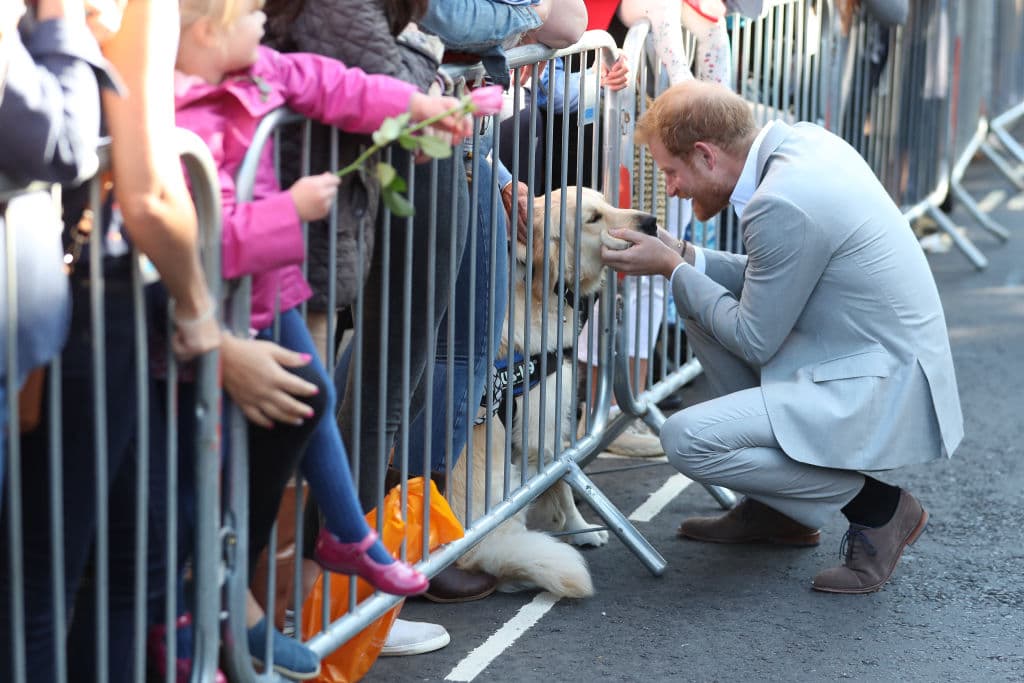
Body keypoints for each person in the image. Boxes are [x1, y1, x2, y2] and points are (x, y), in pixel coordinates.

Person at [601, 80, 963, 594]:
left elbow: (754, 339)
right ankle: (780, 510)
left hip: (877, 383)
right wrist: (683, 256)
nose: (672, 189)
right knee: (695, 296)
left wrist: (671, 269)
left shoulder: (781, 201)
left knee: (684, 439)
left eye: (671, 171)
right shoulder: (803, 144)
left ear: (706, 155)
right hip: (860, 355)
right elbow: (772, 277)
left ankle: (881, 509)